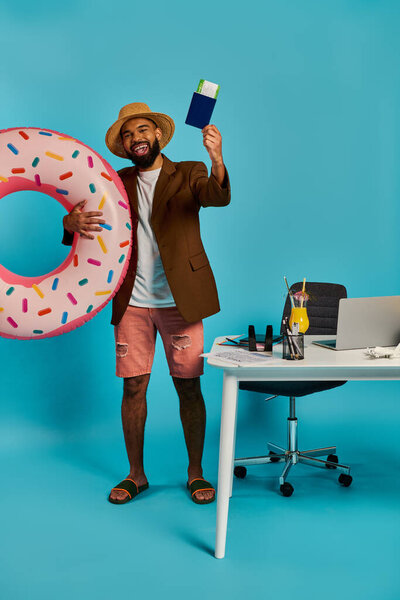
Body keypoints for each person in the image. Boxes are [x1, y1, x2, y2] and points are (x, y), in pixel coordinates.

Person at [62, 103, 230, 505]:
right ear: (124, 145)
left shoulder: (189, 171)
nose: (135, 137)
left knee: (188, 387)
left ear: (157, 136)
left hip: (181, 301)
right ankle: (136, 475)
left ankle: (196, 473)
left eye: (142, 129)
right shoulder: (114, 182)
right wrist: (69, 223)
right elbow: (81, 222)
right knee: (134, 387)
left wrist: (217, 158)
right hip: (132, 302)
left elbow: (215, 197)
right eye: (127, 134)